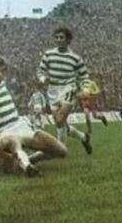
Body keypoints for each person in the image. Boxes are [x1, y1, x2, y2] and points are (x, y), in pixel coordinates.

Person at [36, 26, 92, 154]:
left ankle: (60, 148)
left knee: (60, 120)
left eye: (61, 37)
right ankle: (83, 137)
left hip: (68, 89)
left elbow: (84, 76)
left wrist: (86, 89)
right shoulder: (48, 54)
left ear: (68, 40)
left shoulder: (75, 58)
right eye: (56, 37)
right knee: (59, 123)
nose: (58, 40)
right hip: (52, 90)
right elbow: (40, 70)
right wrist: (43, 78)